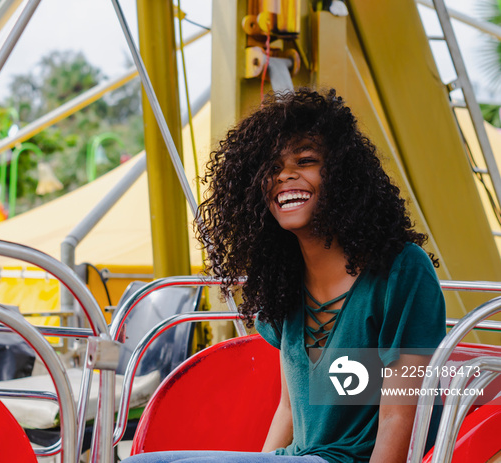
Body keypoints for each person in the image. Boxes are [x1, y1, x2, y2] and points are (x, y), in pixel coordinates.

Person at [124, 88, 446, 462]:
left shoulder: (401, 269)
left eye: (305, 160)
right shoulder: (283, 282)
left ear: (344, 176)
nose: (285, 176)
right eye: (271, 168)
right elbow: (289, 412)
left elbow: (398, 418)